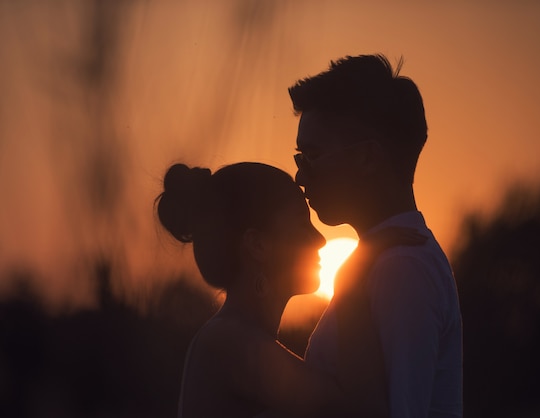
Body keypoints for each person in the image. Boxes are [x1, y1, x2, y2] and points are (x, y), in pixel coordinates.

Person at [289, 54, 463, 418]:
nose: (300, 176)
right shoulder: (384, 261)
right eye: (298, 157)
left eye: (312, 155)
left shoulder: (402, 267)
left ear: (368, 158)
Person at [156, 162, 391, 418]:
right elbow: (360, 411)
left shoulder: (236, 338)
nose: (320, 239)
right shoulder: (228, 343)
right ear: (257, 245)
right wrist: (351, 287)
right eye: (303, 224)